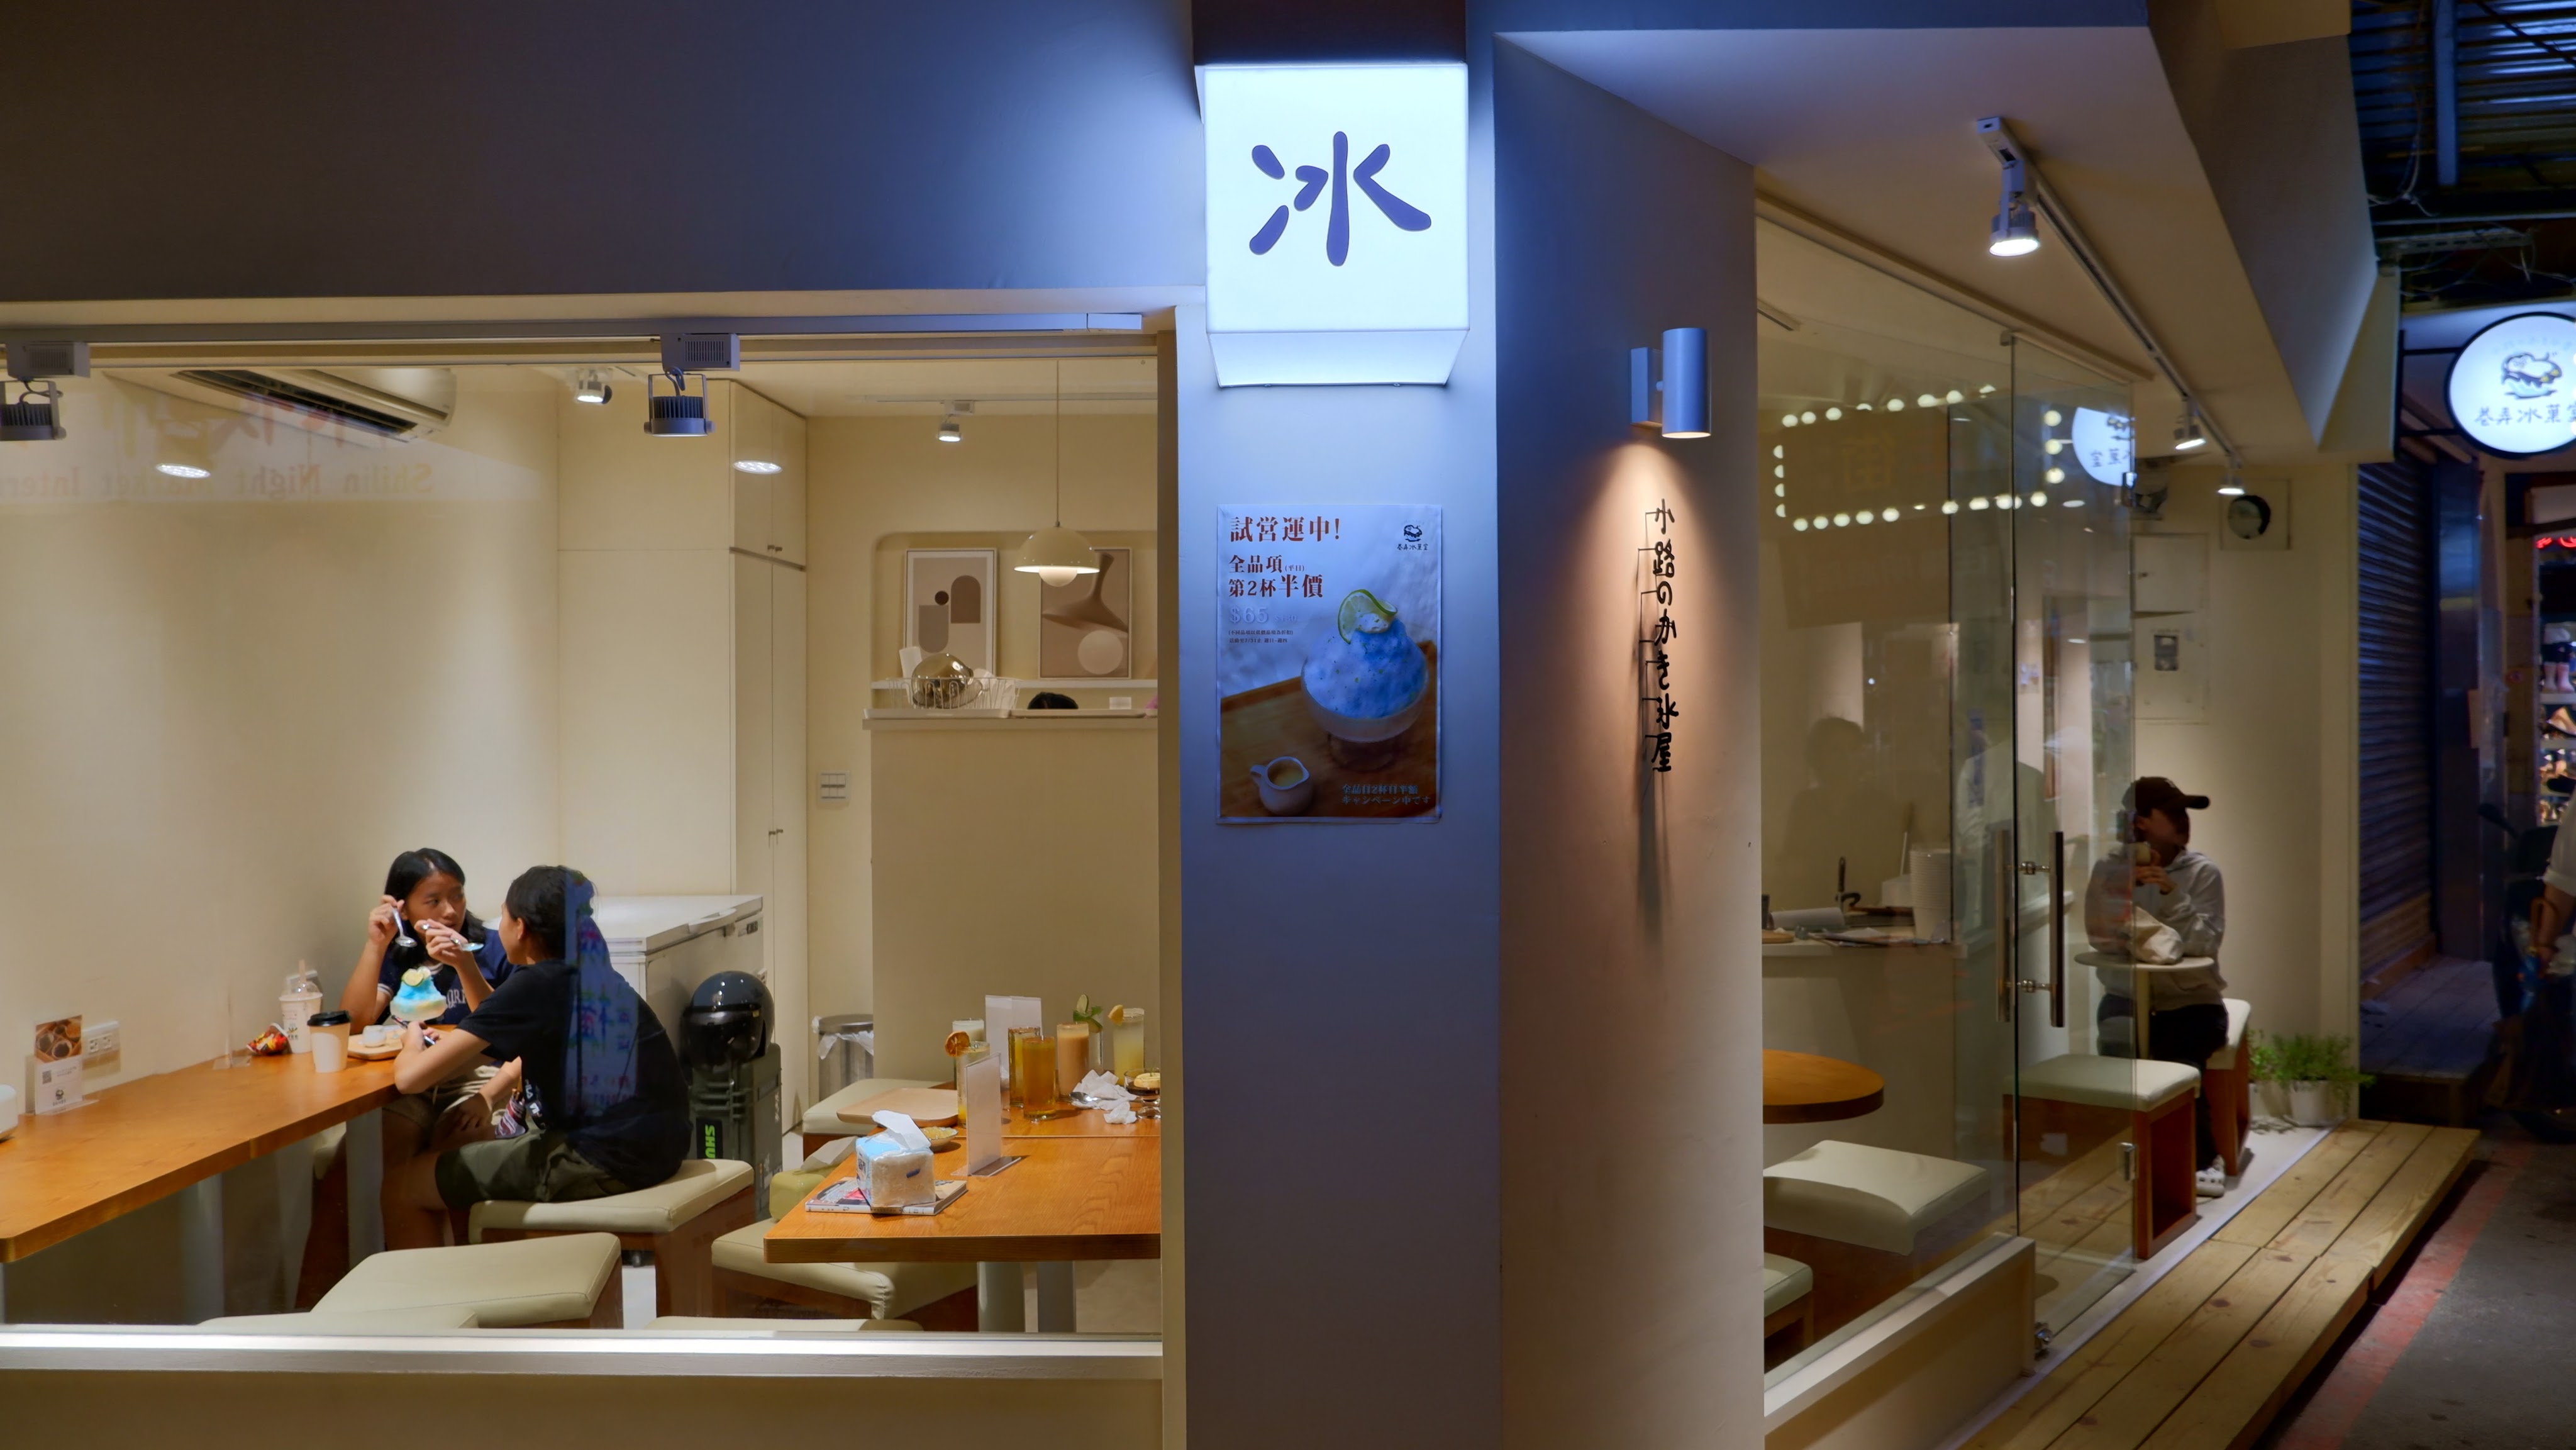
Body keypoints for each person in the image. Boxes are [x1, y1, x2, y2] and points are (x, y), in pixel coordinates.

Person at [382, 866, 689, 1250]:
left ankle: (432, 1288)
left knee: (403, 1187)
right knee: (454, 1146)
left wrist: (412, 1037)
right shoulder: (585, 969)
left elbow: (410, 1079)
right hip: (660, 1145)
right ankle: (471, 1272)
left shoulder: (538, 983)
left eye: (504, 916)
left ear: (521, 927)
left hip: (602, 1158)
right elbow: (503, 1020)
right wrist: (465, 964)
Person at [2084, 776, 2233, 1196]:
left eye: (2186, 812)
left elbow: (2205, 943)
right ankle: (2120, 1157)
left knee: (2176, 1063)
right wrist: (2119, 895)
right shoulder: (2110, 869)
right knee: (2117, 1062)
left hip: (2192, 1001)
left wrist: (2170, 893)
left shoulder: (2202, 872)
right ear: (2141, 822)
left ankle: (2202, 1157)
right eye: (2174, 813)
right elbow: (2100, 939)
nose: (2185, 821)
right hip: (2127, 996)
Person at [336, 848, 524, 1158]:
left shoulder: (494, 948)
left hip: (481, 1079)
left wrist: (465, 964)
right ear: (403, 910)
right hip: (414, 1080)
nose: (450, 911)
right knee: (364, 1158)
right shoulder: (401, 953)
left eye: (457, 896)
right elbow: (354, 1024)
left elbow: (514, 1034)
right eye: (434, 901)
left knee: (450, 1151)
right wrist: (376, 945)